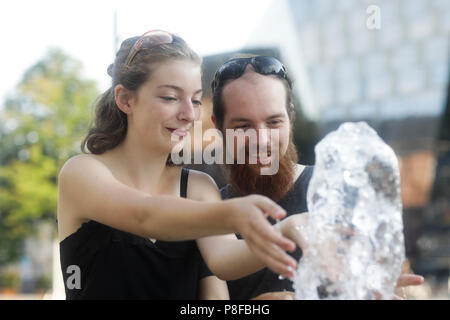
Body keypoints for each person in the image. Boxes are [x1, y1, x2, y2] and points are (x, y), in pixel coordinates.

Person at [57, 31, 306, 300]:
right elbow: (146, 216)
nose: (189, 114)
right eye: (170, 98)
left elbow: (225, 261)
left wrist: (284, 230)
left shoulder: (198, 186)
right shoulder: (81, 173)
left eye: (196, 100)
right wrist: (233, 213)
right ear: (125, 100)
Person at [210, 55, 425, 300]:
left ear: (290, 118)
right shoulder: (208, 213)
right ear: (219, 126)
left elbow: (378, 281)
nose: (262, 140)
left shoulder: (338, 191)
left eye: (273, 122)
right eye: (243, 127)